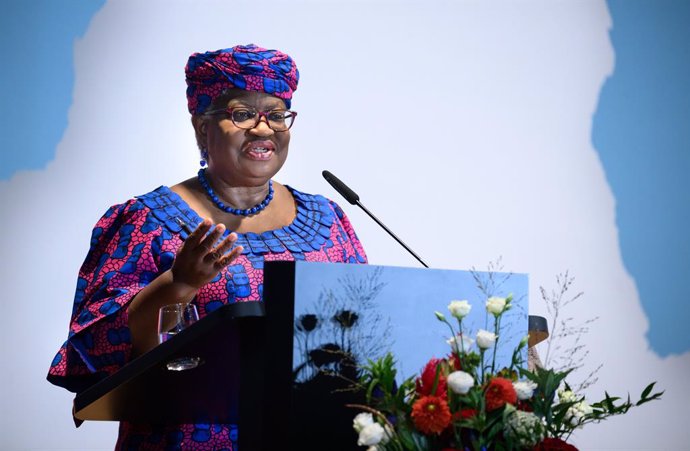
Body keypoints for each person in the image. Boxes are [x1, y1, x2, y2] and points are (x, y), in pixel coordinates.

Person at [47, 44, 367, 450]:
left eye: (277, 113)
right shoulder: (147, 221)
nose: (263, 128)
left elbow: (362, 332)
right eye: (243, 113)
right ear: (203, 127)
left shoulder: (328, 221)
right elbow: (98, 345)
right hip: (186, 440)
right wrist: (179, 284)